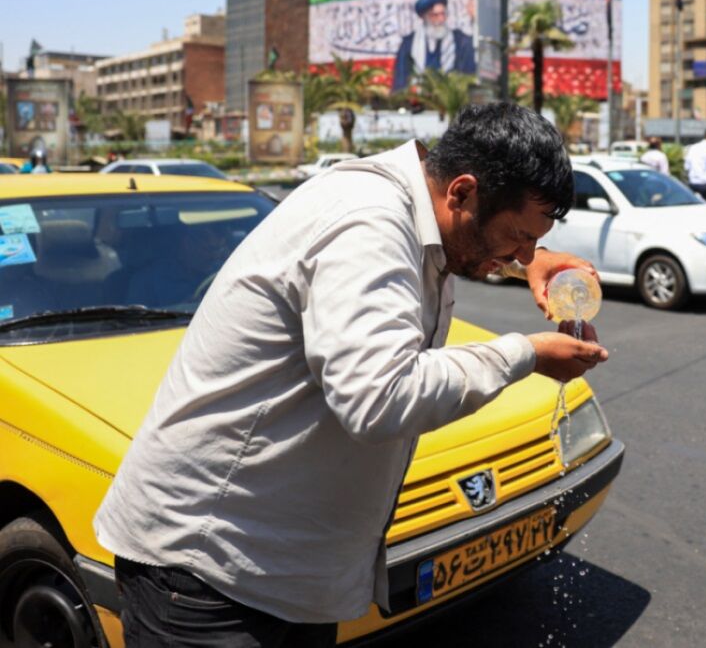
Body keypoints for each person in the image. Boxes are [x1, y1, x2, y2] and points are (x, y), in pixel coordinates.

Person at [93, 103, 608, 647]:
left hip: (280, 573)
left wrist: (528, 260)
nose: (525, 250)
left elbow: (452, 241)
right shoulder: (367, 222)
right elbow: (379, 397)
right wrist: (525, 354)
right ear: (461, 191)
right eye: (519, 235)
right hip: (208, 576)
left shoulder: (412, 206)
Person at [392, 0, 476, 91]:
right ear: (424, 17)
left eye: (443, 14)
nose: (441, 19)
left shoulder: (462, 42)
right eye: (435, 15)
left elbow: (469, 78)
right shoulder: (409, 44)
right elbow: (401, 82)